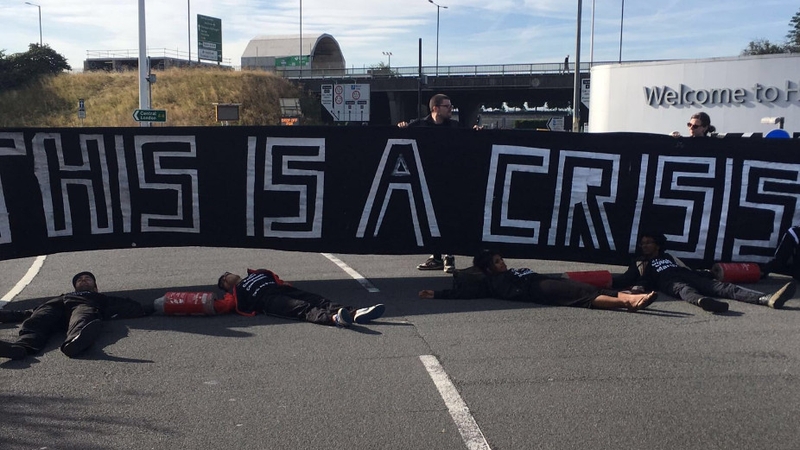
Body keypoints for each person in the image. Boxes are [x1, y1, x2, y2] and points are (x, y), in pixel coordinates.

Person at [419, 250, 658, 312]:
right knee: (584, 297)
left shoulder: (507, 273)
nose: (502, 263)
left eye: (501, 259)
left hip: (541, 280)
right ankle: (628, 304)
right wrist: (437, 294)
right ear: (489, 269)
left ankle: (634, 298)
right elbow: (466, 293)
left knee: (591, 288)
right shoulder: (492, 282)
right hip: (536, 288)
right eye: (497, 262)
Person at [613, 232, 796, 313]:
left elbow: (687, 270)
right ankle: (704, 302)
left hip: (685, 274)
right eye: (642, 243)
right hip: (667, 281)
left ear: (657, 244)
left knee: (725, 288)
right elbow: (633, 278)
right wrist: (622, 285)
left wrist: (709, 273)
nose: (644, 246)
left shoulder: (669, 257)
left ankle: (766, 299)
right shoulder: (639, 262)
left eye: (648, 242)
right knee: (685, 291)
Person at [398, 93, 477, 274]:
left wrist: (477, 132)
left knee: (447, 216)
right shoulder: (418, 126)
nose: (451, 109)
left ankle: (449, 256)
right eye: (447, 106)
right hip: (426, 179)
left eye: (451, 106)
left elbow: (470, 140)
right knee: (430, 218)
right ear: (435, 109)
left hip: (449, 180)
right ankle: (436, 257)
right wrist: (401, 128)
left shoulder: (455, 127)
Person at [0, 271, 155, 361]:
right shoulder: (62, 296)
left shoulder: (100, 297)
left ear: (95, 286)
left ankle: (75, 342)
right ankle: (21, 348)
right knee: (37, 318)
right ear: (75, 286)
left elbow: (128, 306)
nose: (83, 280)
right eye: (79, 280)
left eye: (87, 279)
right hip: (56, 309)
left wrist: (155, 306)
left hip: (83, 307)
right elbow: (28, 312)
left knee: (84, 315)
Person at [216, 269, 385, 327]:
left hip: (281, 290)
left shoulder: (257, 273)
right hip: (268, 301)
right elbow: (223, 306)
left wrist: (285, 285)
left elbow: (277, 279)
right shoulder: (235, 293)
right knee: (303, 308)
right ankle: (335, 319)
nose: (225, 278)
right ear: (226, 287)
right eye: (223, 281)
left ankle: (355, 313)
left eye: (226, 275)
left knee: (318, 300)